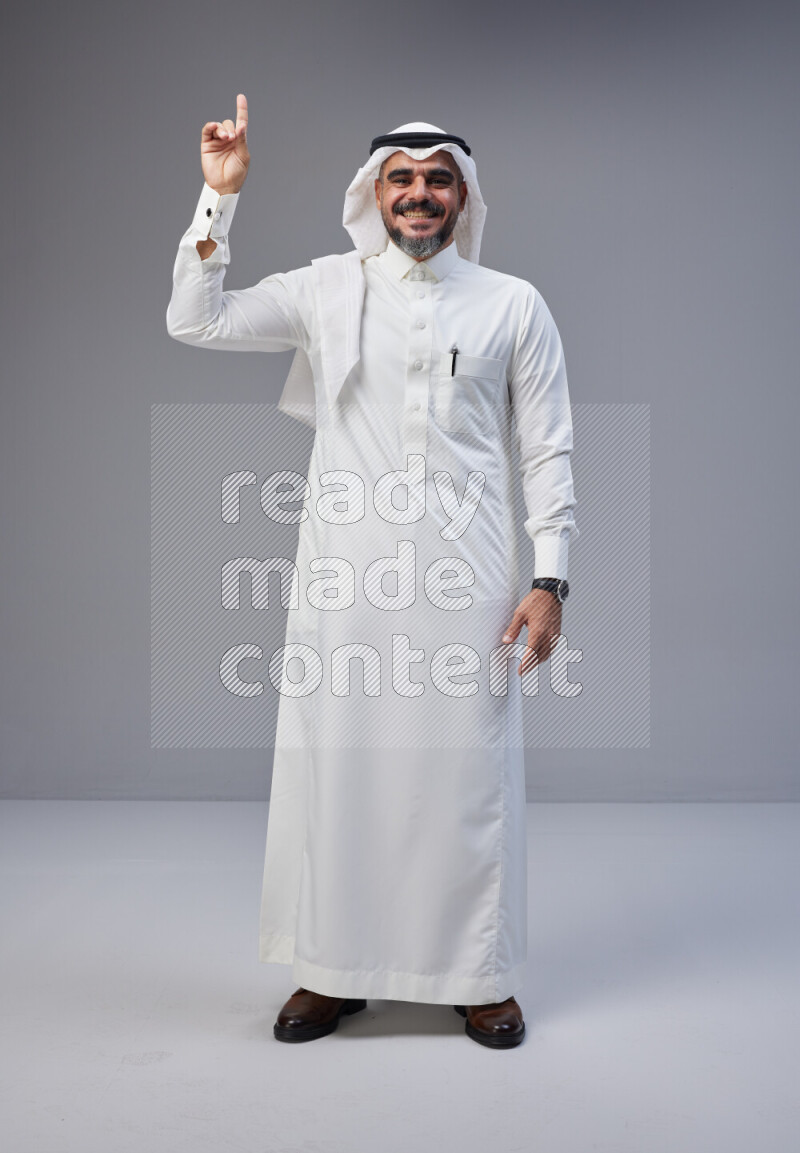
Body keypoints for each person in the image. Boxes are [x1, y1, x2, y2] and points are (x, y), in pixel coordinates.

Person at [166, 94, 578, 1049]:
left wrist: (550, 579)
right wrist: (219, 197)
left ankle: (479, 975)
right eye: (401, 179)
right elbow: (196, 319)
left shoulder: (513, 303)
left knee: (466, 774)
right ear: (374, 193)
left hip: (471, 579)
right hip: (344, 577)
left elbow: (548, 447)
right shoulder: (325, 287)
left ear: (463, 197)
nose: (418, 194)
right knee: (341, 770)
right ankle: (331, 969)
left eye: (437, 180)